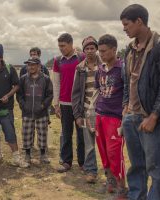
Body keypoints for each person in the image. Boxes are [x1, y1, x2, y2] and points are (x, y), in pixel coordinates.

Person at [120, 4, 160, 200]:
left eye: (126, 24)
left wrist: (155, 115)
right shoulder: (130, 50)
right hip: (131, 117)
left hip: (150, 119)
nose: (124, 28)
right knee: (136, 165)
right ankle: (136, 196)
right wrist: (125, 106)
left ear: (139, 21)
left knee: (157, 169)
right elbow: (127, 81)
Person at [95, 34, 127, 199]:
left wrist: (124, 115)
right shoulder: (100, 68)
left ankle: (122, 188)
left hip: (115, 117)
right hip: (100, 114)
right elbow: (98, 89)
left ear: (114, 49)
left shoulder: (122, 68)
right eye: (100, 51)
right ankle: (110, 182)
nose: (101, 54)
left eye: (104, 51)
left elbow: (128, 93)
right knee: (103, 151)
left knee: (115, 153)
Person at [53, 33, 85, 172]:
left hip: (80, 103)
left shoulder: (81, 57)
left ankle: (83, 162)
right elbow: (56, 83)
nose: (61, 49)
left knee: (82, 135)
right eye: (59, 46)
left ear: (71, 44)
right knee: (66, 133)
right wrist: (56, 104)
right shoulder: (58, 60)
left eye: (63, 46)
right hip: (65, 103)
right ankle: (67, 161)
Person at [72, 36, 101, 183]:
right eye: (87, 49)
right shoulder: (80, 68)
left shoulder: (103, 65)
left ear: (96, 49)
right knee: (88, 144)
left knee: (105, 144)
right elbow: (76, 93)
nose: (90, 51)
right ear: (83, 51)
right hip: (86, 111)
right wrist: (77, 115)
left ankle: (111, 174)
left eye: (92, 48)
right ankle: (91, 171)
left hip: (103, 111)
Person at [17, 57, 53, 165]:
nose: (31, 67)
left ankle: (43, 154)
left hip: (41, 112)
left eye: (33, 65)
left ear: (39, 66)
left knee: (42, 133)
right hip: (27, 112)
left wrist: (43, 106)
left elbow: (50, 95)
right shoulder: (23, 79)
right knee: (27, 133)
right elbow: (19, 95)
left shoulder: (46, 79)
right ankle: (27, 154)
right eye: (29, 65)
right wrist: (24, 105)